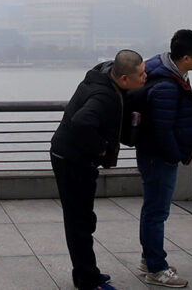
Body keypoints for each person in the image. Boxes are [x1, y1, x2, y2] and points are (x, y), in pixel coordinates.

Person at [50, 50, 147, 290]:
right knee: (80, 221)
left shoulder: (103, 76)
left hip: (70, 155)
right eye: (142, 74)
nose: (146, 77)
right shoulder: (104, 95)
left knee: (82, 219)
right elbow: (82, 121)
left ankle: (85, 272)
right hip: (72, 160)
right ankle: (87, 280)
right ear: (124, 79)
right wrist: (101, 148)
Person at [128, 29, 192, 288]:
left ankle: (149, 259)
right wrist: (174, 155)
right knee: (156, 212)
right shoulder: (167, 85)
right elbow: (161, 129)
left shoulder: (169, 75)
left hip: (152, 154)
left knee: (152, 209)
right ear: (185, 58)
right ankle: (156, 268)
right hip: (159, 157)